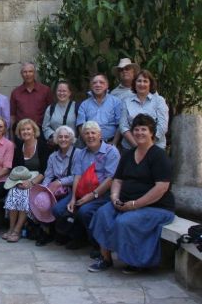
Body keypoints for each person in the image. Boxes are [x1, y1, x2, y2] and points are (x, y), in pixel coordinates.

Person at [88, 114, 175, 273]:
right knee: (102, 213)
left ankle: (136, 262)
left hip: (156, 206)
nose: (139, 133)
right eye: (136, 129)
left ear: (151, 133)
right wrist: (114, 198)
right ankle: (105, 258)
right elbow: (118, 180)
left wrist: (136, 204)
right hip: (125, 202)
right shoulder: (128, 155)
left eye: (144, 129)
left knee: (125, 222)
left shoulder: (159, 155)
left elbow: (161, 188)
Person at [52, 121, 120, 250]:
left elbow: (110, 179)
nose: (90, 136)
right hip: (81, 191)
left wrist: (92, 195)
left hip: (102, 193)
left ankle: (96, 244)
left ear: (100, 135)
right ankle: (77, 236)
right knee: (58, 209)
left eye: (93, 133)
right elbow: (77, 175)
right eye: (87, 133)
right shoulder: (81, 153)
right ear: (83, 136)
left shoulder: (111, 152)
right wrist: (73, 198)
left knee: (84, 211)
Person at [3, 119, 50, 243]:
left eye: (28, 129)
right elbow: (15, 168)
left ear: (34, 131)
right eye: (23, 130)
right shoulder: (19, 147)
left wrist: (31, 183)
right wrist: (18, 182)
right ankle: (11, 228)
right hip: (21, 178)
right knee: (14, 192)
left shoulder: (42, 146)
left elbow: (45, 171)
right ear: (19, 133)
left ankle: (17, 230)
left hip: (38, 179)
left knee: (25, 194)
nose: (26, 132)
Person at [41, 126, 80, 245]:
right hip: (56, 190)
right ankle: (46, 233)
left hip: (73, 190)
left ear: (71, 139)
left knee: (58, 209)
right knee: (41, 200)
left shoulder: (77, 154)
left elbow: (76, 176)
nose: (63, 139)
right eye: (60, 137)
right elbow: (48, 175)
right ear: (56, 139)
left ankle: (65, 233)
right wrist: (44, 189)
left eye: (66, 137)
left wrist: (60, 182)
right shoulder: (53, 156)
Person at [119, 70, 169, 151]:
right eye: (139, 81)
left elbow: (162, 126)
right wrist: (137, 147)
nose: (142, 84)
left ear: (150, 84)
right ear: (134, 84)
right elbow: (123, 126)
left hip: (155, 148)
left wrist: (148, 146)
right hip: (130, 148)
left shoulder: (159, 101)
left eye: (145, 81)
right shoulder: (126, 101)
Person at [76, 74, 122, 145]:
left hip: (109, 143)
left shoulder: (116, 102)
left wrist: (114, 143)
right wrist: (88, 143)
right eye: (94, 83)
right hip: (89, 143)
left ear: (107, 85)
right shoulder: (84, 104)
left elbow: (120, 125)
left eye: (101, 82)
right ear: (91, 86)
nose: (98, 85)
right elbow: (81, 126)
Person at [9, 62, 53, 134]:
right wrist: (12, 136)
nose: (28, 74)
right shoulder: (15, 93)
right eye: (25, 72)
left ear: (34, 73)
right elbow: (13, 116)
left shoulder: (45, 90)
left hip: (40, 131)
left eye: (30, 71)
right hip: (22, 131)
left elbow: (51, 112)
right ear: (21, 74)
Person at [42, 81, 78, 146]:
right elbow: (45, 127)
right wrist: (56, 136)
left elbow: (80, 127)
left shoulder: (76, 107)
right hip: (56, 146)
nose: (61, 93)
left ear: (69, 93)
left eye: (64, 91)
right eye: (59, 91)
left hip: (73, 146)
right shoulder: (50, 108)